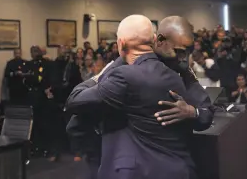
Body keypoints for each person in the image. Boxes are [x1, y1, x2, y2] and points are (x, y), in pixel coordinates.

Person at [66, 15, 214, 179]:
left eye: (188, 51)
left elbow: (206, 111)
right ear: (157, 40)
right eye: (179, 51)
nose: (183, 58)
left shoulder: (180, 71)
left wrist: (193, 112)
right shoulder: (127, 69)